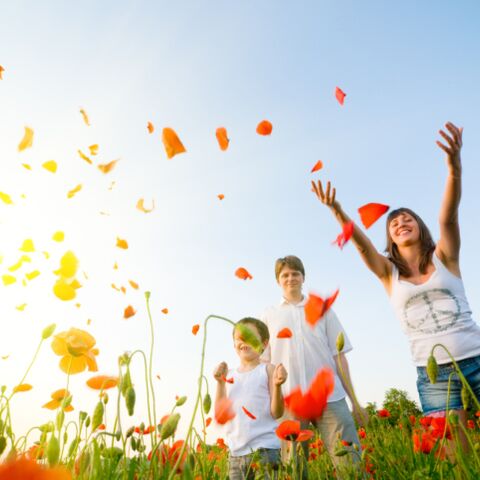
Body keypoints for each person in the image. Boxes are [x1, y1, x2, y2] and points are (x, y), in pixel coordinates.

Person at [312, 122, 480, 443]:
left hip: (476, 357)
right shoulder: (388, 273)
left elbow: (449, 217)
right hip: (435, 377)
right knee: (454, 457)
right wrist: (336, 209)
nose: (401, 222)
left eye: (408, 219)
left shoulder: (446, 257)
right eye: (394, 223)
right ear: (390, 237)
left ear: (419, 227)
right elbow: (361, 244)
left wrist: (454, 169)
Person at [261, 255, 363, 475]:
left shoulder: (323, 309)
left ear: (303, 277)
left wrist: (354, 400)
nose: (291, 278)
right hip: (290, 401)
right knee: (293, 470)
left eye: (295, 273)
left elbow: (339, 357)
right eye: (285, 275)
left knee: (350, 463)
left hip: (330, 398)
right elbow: (265, 365)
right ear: (278, 280)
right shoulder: (269, 315)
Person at [214, 317, 288, 480]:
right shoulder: (229, 375)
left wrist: (277, 386)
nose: (244, 341)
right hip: (235, 456)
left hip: (265, 452)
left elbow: (277, 413)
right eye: (239, 338)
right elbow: (220, 415)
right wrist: (220, 383)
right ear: (234, 345)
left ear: (264, 343)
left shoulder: (268, 370)